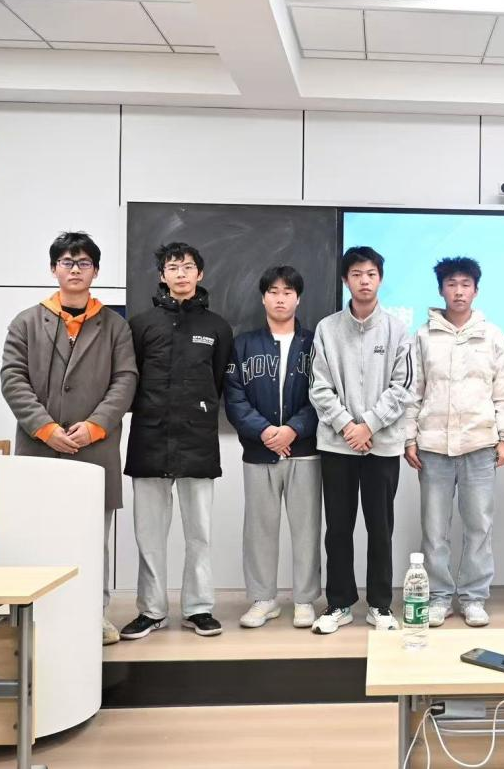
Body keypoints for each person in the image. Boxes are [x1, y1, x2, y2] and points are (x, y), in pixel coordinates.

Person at [1, 231, 137, 646]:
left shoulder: (115, 326)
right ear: (53, 269)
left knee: (93, 540)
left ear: (96, 271)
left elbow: (125, 380)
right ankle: (37, 617)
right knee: (38, 534)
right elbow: (12, 379)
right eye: (66, 262)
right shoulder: (27, 321)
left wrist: (95, 425)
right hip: (40, 448)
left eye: (83, 263)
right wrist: (46, 428)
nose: (75, 269)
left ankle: (95, 615)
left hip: (95, 449)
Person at [120, 242, 233, 641]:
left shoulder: (217, 327)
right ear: (162, 275)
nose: (181, 274)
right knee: (148, 535)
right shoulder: (141, 325)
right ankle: (151, 611)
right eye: (173, 267)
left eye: (187, 267)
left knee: (199, 533)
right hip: (149, 439)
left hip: (197, 440)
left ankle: (198, 608)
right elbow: (129, 379)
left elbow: (218, 381)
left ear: (200, 274)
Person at [403, 257, 504, 629]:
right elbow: (413, 391)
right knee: (434, 529)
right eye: (451, 284)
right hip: (433, 447)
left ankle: (473, 598)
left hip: (480, 445)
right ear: (441, 290)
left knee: (479, 526)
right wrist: (409, 437)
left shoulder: (493, 336)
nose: (458, 291)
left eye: (465, 284)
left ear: (476, 290)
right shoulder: (423, 337)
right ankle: (438, 597)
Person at [308, 246, 414, 634]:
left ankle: (380, 605)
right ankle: (339, 603)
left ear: (380, 279)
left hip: (381, 446)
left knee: (380, 528)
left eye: (370, 274)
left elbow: (403, 387)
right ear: (345, 280)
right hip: (337, 446)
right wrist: (346, 426)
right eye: (356, 274)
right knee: (337, 527)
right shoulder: (327, 328)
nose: (364, 281)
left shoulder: (398, 329)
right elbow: (318, 386)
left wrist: (368, 425)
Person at [225, 265, 322, 631]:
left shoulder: (315, 343)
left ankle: (304, 599)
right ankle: (263, 599)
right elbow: (234, 397)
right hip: (259, 451)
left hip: (304, 451)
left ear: (298, 298)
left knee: (306, 529)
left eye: (287, 292)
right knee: (259, 530)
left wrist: (293, 430)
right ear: (263, 298)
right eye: (273, 292)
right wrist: (265, 431)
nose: (280, 299)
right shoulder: (244, 344)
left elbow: (323, 395)